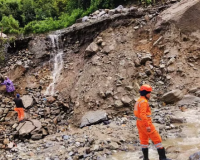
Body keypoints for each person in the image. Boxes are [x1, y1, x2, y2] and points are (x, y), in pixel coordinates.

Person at [134, 84, 171, 160]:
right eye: (149, 93)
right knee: (157, 139)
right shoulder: (144, 102)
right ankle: (162, 158)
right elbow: (143, 115)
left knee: (144, 140)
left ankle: (146, 158)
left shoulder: (139, 100)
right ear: (145, 93)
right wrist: (147, 125)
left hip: (139, 123)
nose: (150, 94)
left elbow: (137, 113)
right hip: (146, 123)